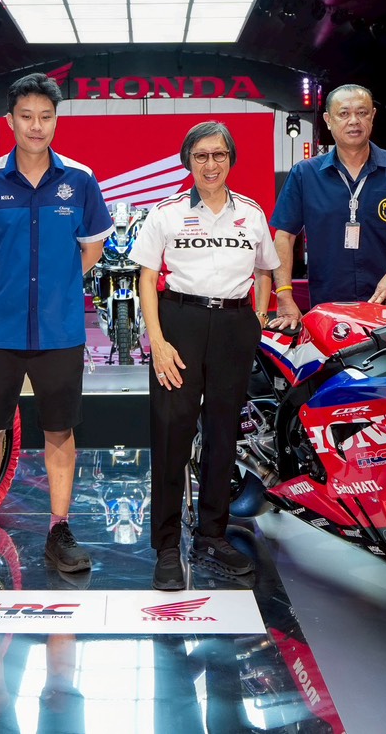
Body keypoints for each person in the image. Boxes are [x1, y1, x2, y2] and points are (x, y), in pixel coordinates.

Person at [0, 72, 112, 580]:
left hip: (60, 330)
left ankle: (59, 529)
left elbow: (93, 247)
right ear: (10, 120)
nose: (36, 126)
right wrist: (3, 285)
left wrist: (57, 286)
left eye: (45, 117)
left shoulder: (80, 179)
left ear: (56, 120)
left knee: (60, 429)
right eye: (26, 116)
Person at [130, 121, 279, 590]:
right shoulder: (166, 213)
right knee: (171, 434)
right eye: (201, 156)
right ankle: (166, 546)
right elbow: (146, 279)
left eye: (219, 155)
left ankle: (211, 536)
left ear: (230, 159)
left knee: (223, 435)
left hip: (234, 327)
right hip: (180, 324)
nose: (210, 164)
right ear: (187, 162)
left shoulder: (251, 213)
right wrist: (157, 341)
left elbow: (265, 270)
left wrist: (257, 320)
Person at [269, 84, 386, 326]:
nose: (354, 121)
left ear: (373, 116)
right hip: (328, 308)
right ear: (328, 120)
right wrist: (284, 295)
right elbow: (284, 236)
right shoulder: (305, 174)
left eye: (362, 112)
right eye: (344, 113)